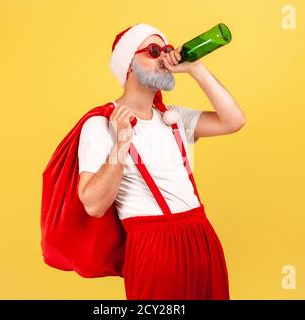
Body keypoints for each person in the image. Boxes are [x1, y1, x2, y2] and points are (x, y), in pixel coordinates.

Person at [77, 23, 246, 300]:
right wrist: (121, 143)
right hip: (154, 247)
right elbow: (93, 205)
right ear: (129, 65)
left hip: (202, 237)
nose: (164, 58)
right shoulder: (100, 124)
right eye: (154, 51)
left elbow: (234, 120)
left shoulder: (174, 117)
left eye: (166, 50)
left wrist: (195, 69)